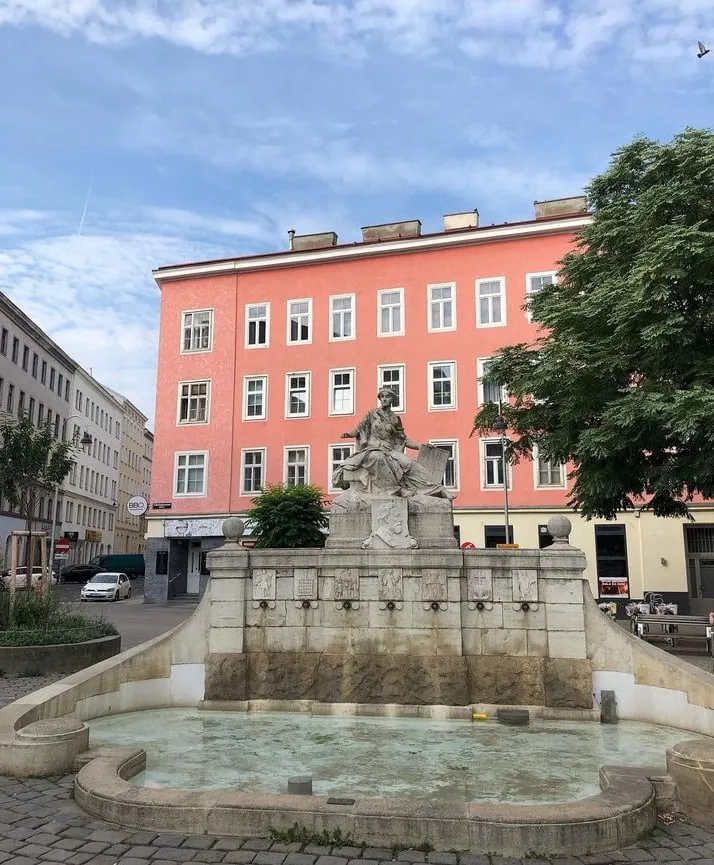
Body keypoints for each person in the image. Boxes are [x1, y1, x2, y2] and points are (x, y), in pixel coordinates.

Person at [332, 387, 455, 499]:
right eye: (382, 397)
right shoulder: (372, 414)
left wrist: (421, 447)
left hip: (390, 450)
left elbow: (403, 439)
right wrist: (349, 434)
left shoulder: (396, 419)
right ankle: (398, 490)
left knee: (410, 464)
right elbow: (359, 428)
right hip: (372, 450)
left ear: (392, 399)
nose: (384, 399)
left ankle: (438, 489)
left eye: (387, 396)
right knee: (378, 458)